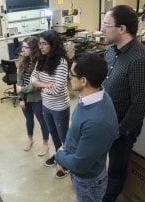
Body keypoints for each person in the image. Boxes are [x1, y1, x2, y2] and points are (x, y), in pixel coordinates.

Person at [100, 5, 145, 201]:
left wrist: (120, 130)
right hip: (106, 119)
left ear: (122, 29)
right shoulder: (111, 51)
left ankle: (109, 197)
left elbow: (142, 104)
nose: (102, 29)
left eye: (106, 25)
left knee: (117, 166)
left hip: (123, 127)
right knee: (106, 160)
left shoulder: (140, 59)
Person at [55, 53, 119, 201]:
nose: (68, 77)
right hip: (80, 163)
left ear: (83, 81)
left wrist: (60, 156)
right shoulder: (96, 93)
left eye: (71, 74)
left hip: (88, 182)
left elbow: (80, 165)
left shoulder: (96, 122)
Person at [31, 30, 70, 179]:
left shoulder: (61, 62)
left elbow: (58, 89)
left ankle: (65, 164)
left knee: (64, 136)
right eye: (39, 44)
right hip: (46, 105)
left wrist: (40, 85)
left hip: (60, 107)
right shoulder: (41, 59)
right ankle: (59, 155)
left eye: (43, 44)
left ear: (52, 45)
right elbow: (33, 79)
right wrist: (46, 84)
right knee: (54, 134)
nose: (40, 47)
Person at [16, 36, 50, 155]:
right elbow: (19, 80)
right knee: (28, 119)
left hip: (37, 98)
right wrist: (20, 97)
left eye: (26, 47)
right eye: (22, 46)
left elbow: (35, 85)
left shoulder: (40, 63)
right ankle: (30, 139)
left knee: (42, 121)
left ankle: (45, 143)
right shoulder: (23, 60)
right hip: (24, 97)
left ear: (33, 49)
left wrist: (22, 89)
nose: (23, 49)